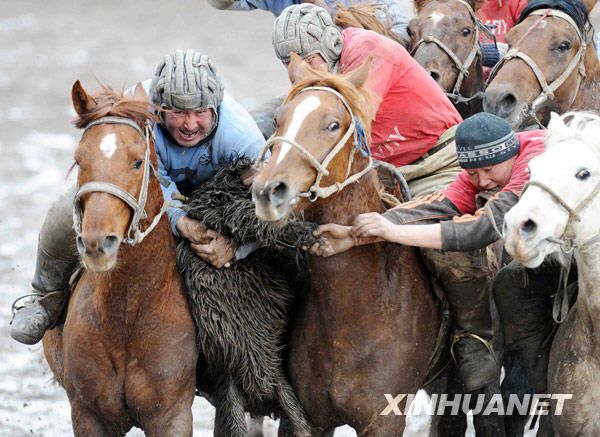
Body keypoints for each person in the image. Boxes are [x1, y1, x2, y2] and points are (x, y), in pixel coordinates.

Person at [9, 49, 265, 345]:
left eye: (200, 112)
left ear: (216, 107)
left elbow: (268, 208)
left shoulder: (242, 138)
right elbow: (151, 179)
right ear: (158, 107)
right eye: (178, 112)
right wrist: (180, 221)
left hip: (217, 197)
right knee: (69, 204)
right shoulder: (136, 111)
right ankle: (44, 296)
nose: (190, 124)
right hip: (149, 186)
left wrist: (236, 247)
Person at [311, 112, 546, 396]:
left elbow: (484, 228)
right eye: (473, 173)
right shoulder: (483, 169)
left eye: (490, 170)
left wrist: (392, 233)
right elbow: (435, 206)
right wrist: (354, 234)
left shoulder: (535, 161)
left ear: (512, 155)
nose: (482, 181)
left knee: (512, 284)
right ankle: (474, 338)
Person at [272, 3, 464, 198]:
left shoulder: (367, 48)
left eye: (309, 60)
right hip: (390, 173)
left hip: (437, 163)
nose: (301, 71)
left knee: (411, 223)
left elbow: (353, 128)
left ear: (332, 44)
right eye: (289, 64)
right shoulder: (322, 74)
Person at [207, 0, 410, 46]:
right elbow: (223, 3)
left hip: (366, 87)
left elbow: (401, 41)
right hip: (312, 91)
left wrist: (329, 15)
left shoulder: (378, 5)